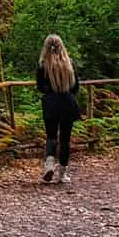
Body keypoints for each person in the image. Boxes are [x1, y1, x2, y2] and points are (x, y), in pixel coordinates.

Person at [36, 34, 80, 183]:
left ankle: (49, 164)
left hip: (50, 103)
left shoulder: (43, 65)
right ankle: (62, 173)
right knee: (65, 139)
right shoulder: (70, 64)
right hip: (67, 101)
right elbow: (75, 87)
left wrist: (50, 91)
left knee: (51, 136)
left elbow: (40, 87)